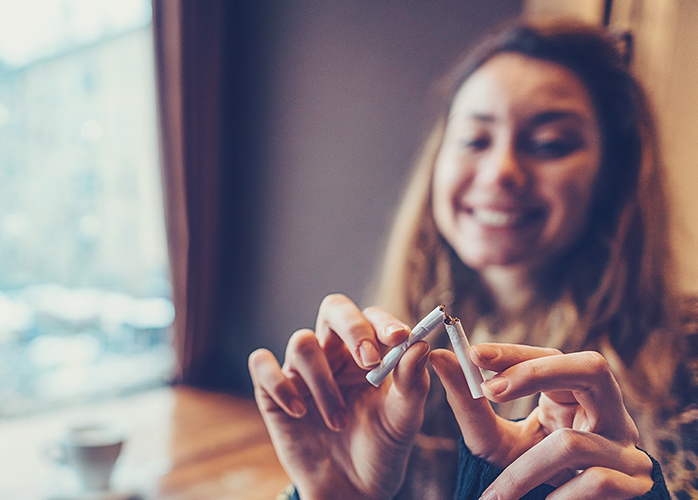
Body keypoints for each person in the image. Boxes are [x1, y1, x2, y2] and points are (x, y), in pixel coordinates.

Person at [248, 19, 698, 500]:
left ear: (613, 174)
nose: (501, 171)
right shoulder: (387, 374)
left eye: (549, 144)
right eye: (475, 140)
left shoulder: (687, 356)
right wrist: (331, 494)